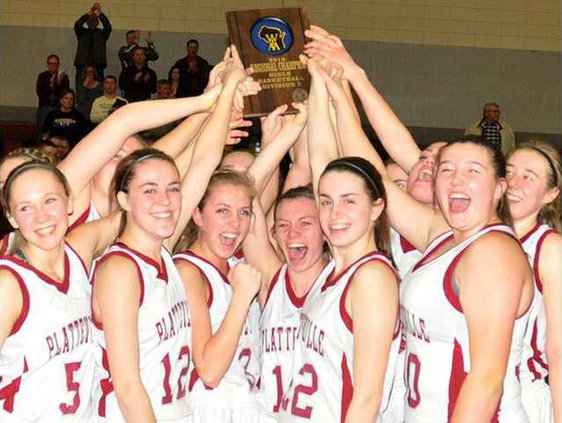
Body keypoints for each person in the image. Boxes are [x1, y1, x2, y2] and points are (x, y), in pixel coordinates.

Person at [278, 59, 400, 422]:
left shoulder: (372, 278)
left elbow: (367, 397)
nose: (335, 212)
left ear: (376, 208)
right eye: (326, 202)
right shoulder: (335, 268)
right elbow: (321, 159)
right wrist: (316, 81)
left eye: (350, 201)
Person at [0, 161, 121, 421]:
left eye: (50, 201)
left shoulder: (78, 252)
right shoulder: (9, 285)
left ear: (69, 203)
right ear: (11, 218)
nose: (41, 217)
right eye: (25, 208)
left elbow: (145, 210)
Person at [506, 141, 561, 423]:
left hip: (522, 394)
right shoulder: (480, 234)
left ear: (550, 194)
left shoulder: (550, 248)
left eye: (528, 177)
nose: (513, 183)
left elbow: (559, 350)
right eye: (508, 171)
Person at [73, 2, 112, 89]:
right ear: (87, 21)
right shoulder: (82, 32)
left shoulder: (102, 34)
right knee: (81, 88)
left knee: (99, 89)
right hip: (82, 65)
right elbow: (77, 24)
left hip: (98, 65)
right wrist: (89, 13)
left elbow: (108, 27)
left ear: (98, 22)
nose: (92, 21)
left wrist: (99, 13)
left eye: (95, 20)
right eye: (90, 19)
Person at [36, 54, 70, 133]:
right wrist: (51, 85)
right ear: (48, 64)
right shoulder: (42, 76)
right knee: (42, 132)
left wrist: (58, 84)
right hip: (44, 108)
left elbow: (65, 94)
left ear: (58, 65)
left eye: (55, 64)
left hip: (58, 108)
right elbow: (40, 94)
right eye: (51, 63)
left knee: (57, 132)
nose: (53, 66)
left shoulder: (64, 77)